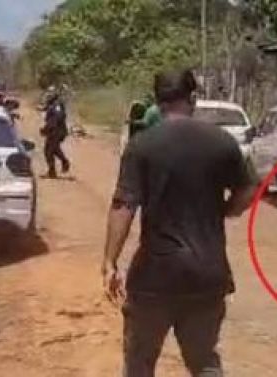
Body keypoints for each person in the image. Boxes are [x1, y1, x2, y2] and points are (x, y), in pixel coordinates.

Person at [102, 69, 257, 377]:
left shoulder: (142, 145)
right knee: (204, 362)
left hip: (154, 276)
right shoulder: (222, 142)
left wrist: (110, 261)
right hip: (207, 273)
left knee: (139, 362)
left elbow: (124, 205)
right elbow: (250, 188)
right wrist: (227, 210)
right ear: (194, 99)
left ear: (157, 103)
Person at [41, 91, 71, 178]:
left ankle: (52, 171)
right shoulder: (53, 105)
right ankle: (63, 163)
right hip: (53, 131)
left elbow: (57, 118)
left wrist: (46, 128)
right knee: (52, 149)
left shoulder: (57, 105)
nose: (47, 98)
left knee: (49, 151)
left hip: (57, 131)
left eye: (49, 96)